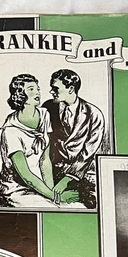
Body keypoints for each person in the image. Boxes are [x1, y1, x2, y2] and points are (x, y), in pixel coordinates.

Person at [0, 74, 77, 208]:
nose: (37, 92)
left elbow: (45, 160)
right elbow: (26, 175)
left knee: (67, 207)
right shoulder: (11, 131)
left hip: (41, 187)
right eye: (31, 89)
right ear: (19, 94)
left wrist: (52, 193)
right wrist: (56, 197)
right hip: (17, 189)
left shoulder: (44, 115)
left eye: (37, 89)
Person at [42, 69, 105, 208]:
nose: (51, 92)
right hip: (50, 173)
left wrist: (67, 179)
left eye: (55, 88)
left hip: (77, 174)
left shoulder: (94, 114)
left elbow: (88, 153)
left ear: (70, 89)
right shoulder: (47, 108)